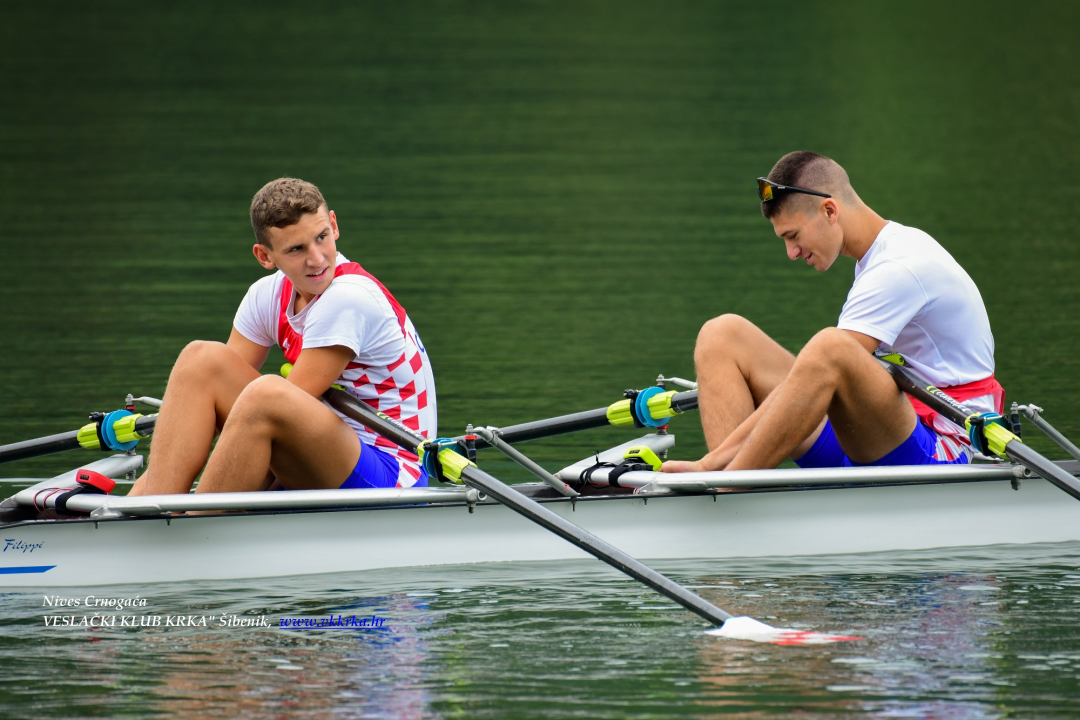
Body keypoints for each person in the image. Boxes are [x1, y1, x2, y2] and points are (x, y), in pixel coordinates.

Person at [662, 151, 1003, 474]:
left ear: (829, 211)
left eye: (793, 236)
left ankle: (726, 482)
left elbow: (825, 365)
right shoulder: (877, 256)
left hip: (949, 445)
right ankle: (728, 484)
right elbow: (808, 383)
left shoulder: (899, 267)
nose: (791, 253)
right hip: (885, 434)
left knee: (831, 348)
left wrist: (708, 465)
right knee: (721, 335)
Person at [129, 178, 436, 495]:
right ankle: (148, 508)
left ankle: (192, 528)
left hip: (392, 471)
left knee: (267, 394)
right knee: (201, 361)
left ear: (334, 224)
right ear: (265, 256)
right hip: (329, 452)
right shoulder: (266, 296)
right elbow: (219, 404)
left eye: (321, 237)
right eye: (296, 249)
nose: (316, 259)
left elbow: (266, 414)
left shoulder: (349, 298)